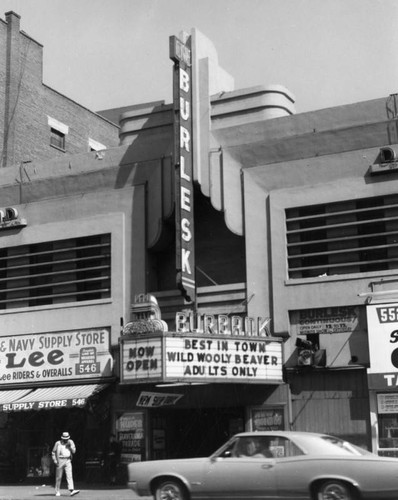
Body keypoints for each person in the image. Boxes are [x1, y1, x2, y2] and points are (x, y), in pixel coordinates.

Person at [51, 432, 80, 497]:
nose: (66, 440)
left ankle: (71, 490)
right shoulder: (58, 443)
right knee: (59, 477)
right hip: (60, 460)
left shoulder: (71, 442)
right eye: (64, 438)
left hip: (68, 460)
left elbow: (74, 451)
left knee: (69, 475)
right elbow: (53, 452)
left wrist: (70, 447)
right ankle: (57, 490)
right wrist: (55, 460)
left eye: (67, 438)